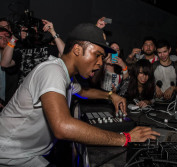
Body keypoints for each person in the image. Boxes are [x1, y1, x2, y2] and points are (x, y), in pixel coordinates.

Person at [0, 23, 159, 166]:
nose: (99, 63)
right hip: (9, 155)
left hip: (28, 154)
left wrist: (111, 95)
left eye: (102, 58)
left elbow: (83, 92)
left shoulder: (65, 75)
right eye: (97, 55)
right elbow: (62, 127)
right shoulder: (52, 71)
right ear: (77, 49)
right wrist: (126, 138)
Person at [0, 19, 65, 85]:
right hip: (25, 91)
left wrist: (53, 32)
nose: (31, 30)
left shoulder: (48, 47)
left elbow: (65, 54)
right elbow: (4, 63)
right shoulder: (20, 49)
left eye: (34, 27)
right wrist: (14, 38)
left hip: (44, 89)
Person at [0, 27, 11, 110]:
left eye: (6, 37)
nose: (4, 39)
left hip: (11, 103)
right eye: (0, 37)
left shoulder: (16, 55)